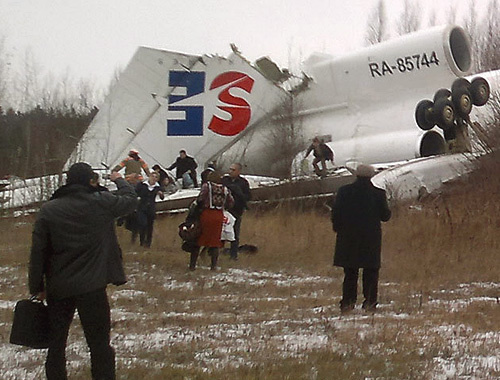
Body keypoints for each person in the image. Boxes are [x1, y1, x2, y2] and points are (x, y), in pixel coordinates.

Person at [29, 162, 138, 380]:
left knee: (56, 345)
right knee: (99, 345)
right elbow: (131, 200)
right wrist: (119, 179)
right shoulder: (101, 203)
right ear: (91, 181)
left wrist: (37, 287)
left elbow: (38, 252)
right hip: (93, 286)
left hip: (58, 286)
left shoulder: (49, 209)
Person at [331, 164, 391, 313]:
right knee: (371, 272)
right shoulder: (378, 193)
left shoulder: (344, 192)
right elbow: (385, 216)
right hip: (370, 238)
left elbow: (336, 213)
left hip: (348, 237)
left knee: (350, 272)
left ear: (356, 175)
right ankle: (370, 302)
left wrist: (338, 228)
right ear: (371, 176)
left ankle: (347, 303)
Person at [190, 170, 234, 271]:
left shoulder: (207, 186)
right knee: (215, 242)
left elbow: (200, 198)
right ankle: (213, 266)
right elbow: (231, 203)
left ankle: (192, 266)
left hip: (206, 214)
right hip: (218, 215)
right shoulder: (225, 189)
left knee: (198, 239)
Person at [222, 162, 251, 261]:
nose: (230, 171)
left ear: (239, 171)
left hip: (236, 211)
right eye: (230, 169)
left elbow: (248, 197)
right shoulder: (224, 180)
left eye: (233, 170)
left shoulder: (243, 183)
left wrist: (239, 194)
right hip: (223, 210)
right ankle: (214, 253)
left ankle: (233, 255)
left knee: (235, 233)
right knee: (219, 233)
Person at [135, 171, 164, 248]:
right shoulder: (142, 185)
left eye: (156, 177)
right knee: (143, 224)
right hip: (141, 207)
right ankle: (142, 241)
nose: (154, 178)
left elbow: (162, 197)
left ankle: (148, 243)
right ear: (149, 177)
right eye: (152, 176)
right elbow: (136, 193)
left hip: (151, 208)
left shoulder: (158, 187)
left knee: (150, 226)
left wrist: (161, 194)